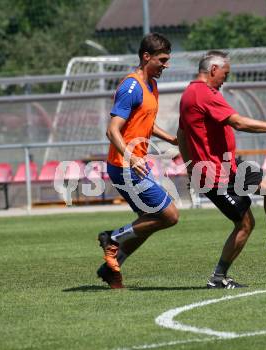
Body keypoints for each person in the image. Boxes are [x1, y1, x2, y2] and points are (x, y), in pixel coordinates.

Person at [178, 50, 266, 289]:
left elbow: (182, 135)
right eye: (225, 73)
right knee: (245, 224)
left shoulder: (189, 93)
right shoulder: (203, 94)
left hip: (229, 165)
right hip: (216, 176)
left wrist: (189, 167)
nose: (226, 78)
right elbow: (238, 122)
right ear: (213, 70)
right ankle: (217, 278)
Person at [97, 33, 179, 289]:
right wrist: (131, 158)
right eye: (162, 60)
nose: (166, 65)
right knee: (169, 216)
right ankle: (112, 237)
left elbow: (145, 121)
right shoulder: (131, 87)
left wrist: (172, 139)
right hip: (125, 166)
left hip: (135, 164)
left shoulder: (151, 85)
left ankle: (111, 268)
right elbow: (113, 130)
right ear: (146, 57)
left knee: (148, 222)